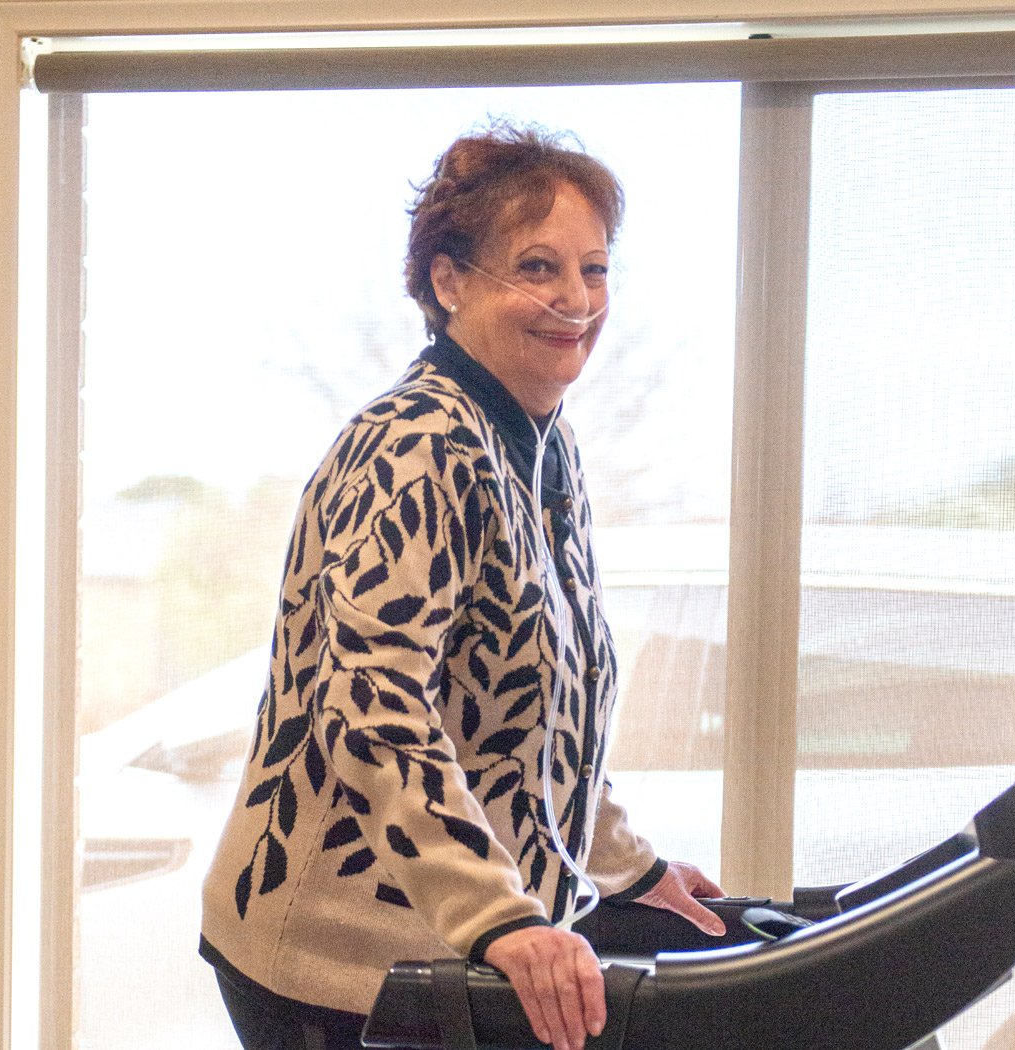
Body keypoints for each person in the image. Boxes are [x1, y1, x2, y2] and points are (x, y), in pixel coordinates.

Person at [200, 122, 726, 1050]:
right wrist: (502, 919)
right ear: (450, 282)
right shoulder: (417, 447)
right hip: (338, 959)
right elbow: (374, 709)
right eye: (537, 267)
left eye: (595, 270)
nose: (576, 300)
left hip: (447, 943)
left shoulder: (541, 445)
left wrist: (629, 870)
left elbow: (539, 724)